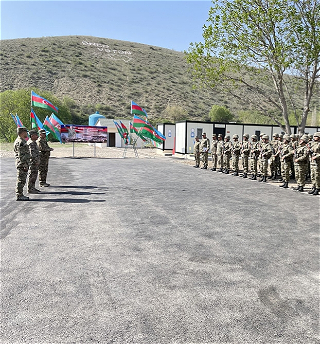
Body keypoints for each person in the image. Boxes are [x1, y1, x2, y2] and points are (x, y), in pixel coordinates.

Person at [13, 127, 30, 201]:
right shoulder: (20, 142)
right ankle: (19, 195)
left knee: (22, 179)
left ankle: (20, 194)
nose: (27, 133)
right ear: (22, 132)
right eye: (26, 132)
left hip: (22, 163)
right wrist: (24, 165)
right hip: (22, 164)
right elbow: (21, 155)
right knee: (21, 180)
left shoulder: (20, 141)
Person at [27, 129, 41, 193]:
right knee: (32, 175)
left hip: (35, 162)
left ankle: (32, 187)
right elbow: (32, 154)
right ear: (32, 136)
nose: (37, 136)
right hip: (33, 162)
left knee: (34, 175)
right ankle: (30, 188)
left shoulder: (34, 142)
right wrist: (36, 161)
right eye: (36, 135)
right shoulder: (31, 143)